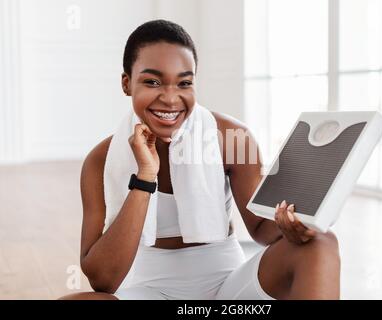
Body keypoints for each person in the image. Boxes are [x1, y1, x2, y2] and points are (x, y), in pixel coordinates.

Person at [59, 19, 340, 300]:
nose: (171, 98)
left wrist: (291, 222)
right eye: (152, 81)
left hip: (229, 291)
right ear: (126, 83)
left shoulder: (232, 138)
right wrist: (145, 176)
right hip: (148, 291)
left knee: (321, 243)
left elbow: (260, 230)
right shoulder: (100, 160)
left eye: (184, 82)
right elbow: (102, 280)